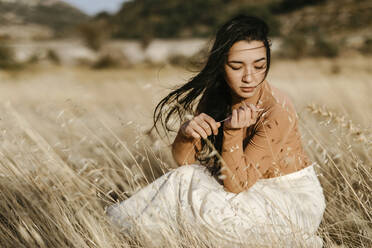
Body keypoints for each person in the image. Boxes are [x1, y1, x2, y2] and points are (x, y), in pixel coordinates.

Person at [107, 15, 326, 247]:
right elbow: (187, 164)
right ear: (221, 64)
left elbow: (237, 184)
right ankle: (119, 233)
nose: (249, 77)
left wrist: (232, 131)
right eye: (236, 66)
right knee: (183, 180)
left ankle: (124, 232)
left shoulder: (277, 110)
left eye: (259, 66)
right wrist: (185, 134)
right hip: (242, 195)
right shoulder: (216, 97)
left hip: (288, 203)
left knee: (193, 210)